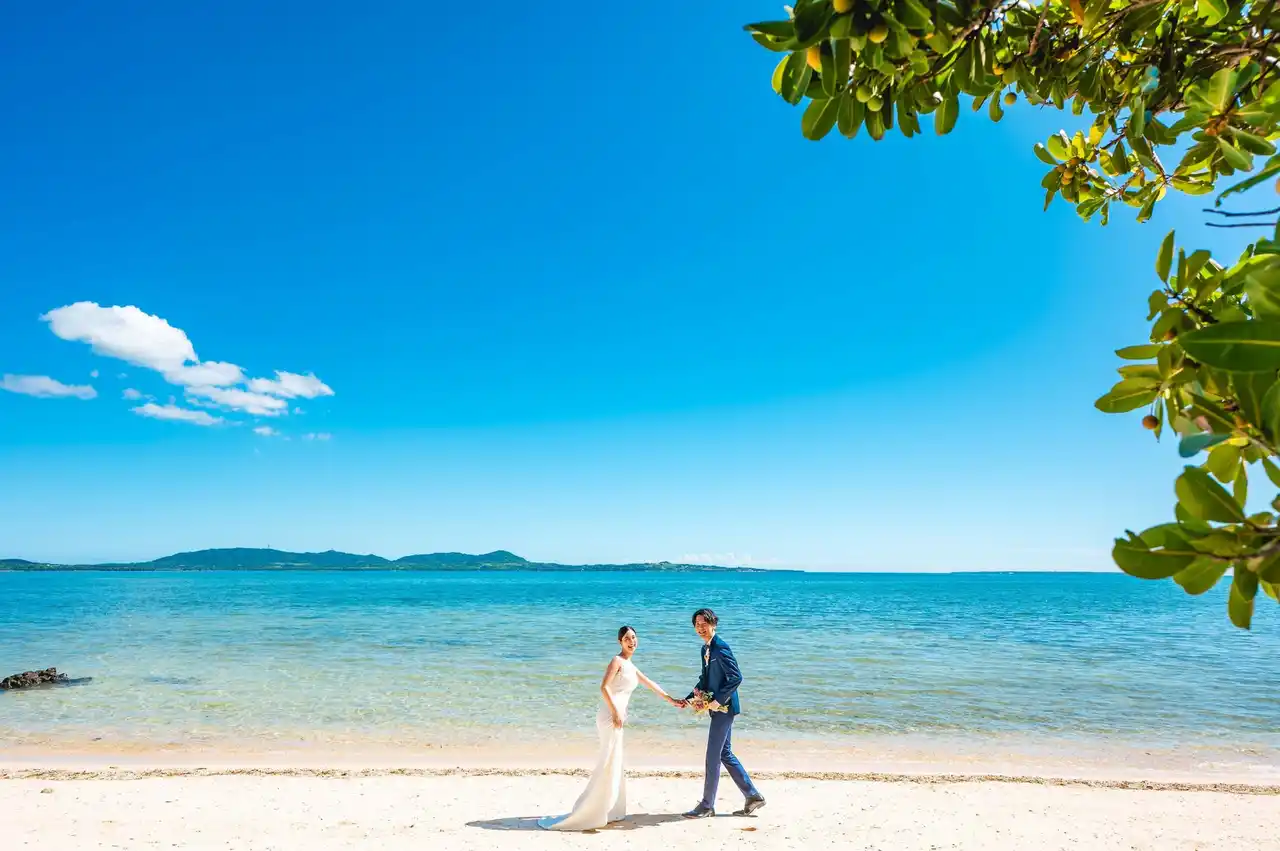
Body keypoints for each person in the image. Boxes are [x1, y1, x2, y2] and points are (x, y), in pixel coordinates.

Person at [538, 625, 681, 831]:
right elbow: (604, 687)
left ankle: (610, 809)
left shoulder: (631, 666)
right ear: (620, 642)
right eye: (627, 639)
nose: (631, 642)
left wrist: (672, 700)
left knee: (615, 761)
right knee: (608, 761)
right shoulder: (617, 661)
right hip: (609, 717)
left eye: (633, 637)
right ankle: (592, 810)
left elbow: (650, 684)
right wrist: (615, 712)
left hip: (617, 717)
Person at [680, 608, 766, 818]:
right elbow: (705, 679)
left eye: (704, 623)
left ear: (714, 624)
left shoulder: (720, 647)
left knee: (713, 756)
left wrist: (717, 701)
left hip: (725, 708)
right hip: (718, 709)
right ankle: (753, 796)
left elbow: (736, 677)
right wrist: (689, 699)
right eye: (697, 624)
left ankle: (707, 805)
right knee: (724, 753)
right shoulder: (705, 649)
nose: (701, 628)